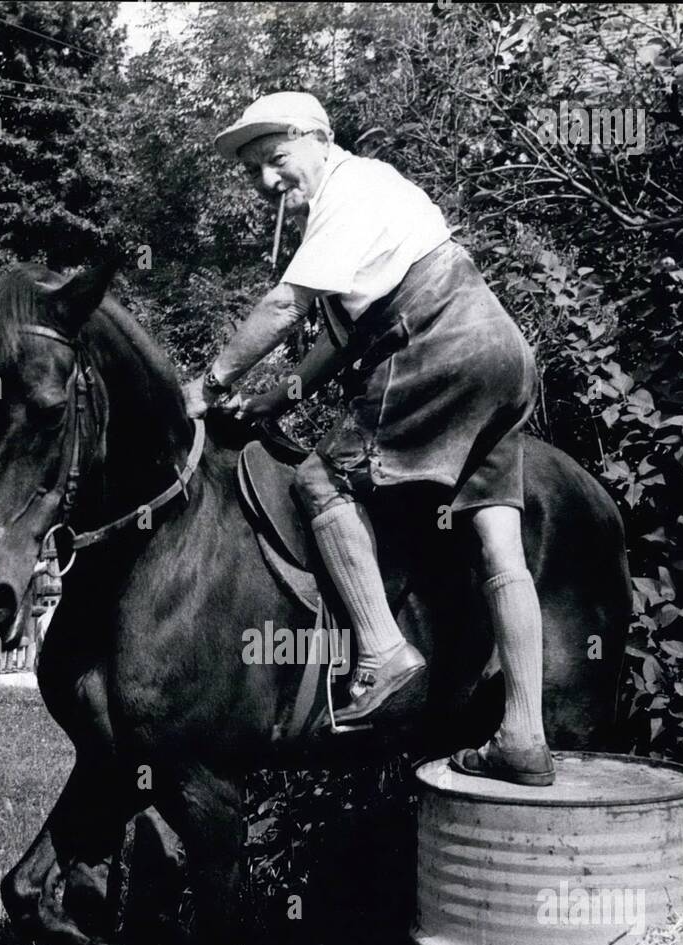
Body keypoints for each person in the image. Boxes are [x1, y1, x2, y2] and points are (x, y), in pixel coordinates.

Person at [184, 92, 554, 786]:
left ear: (313, 137)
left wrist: (206, 385)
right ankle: (523, 737)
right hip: (499, 354)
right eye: (254, 172)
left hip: (433, 342)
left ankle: (383, 652)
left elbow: (284, 307)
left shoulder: (347, 191)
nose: (268, 182)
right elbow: (339, 336)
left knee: (321, 480)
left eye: (274, 160)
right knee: (496, 539)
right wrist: (275, 394)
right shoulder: (375, 192)